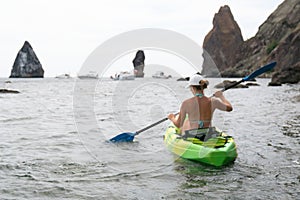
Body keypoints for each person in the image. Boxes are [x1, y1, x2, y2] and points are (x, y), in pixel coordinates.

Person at [168, 74, 233, 134]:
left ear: (193, 88)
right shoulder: (214, 101)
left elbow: (179, 124)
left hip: (192, 135)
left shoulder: (186, 103)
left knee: (185, 124)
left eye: (190, 88)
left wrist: (172, 118)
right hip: (208, 133)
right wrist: (221, 96)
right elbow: (229, 108)